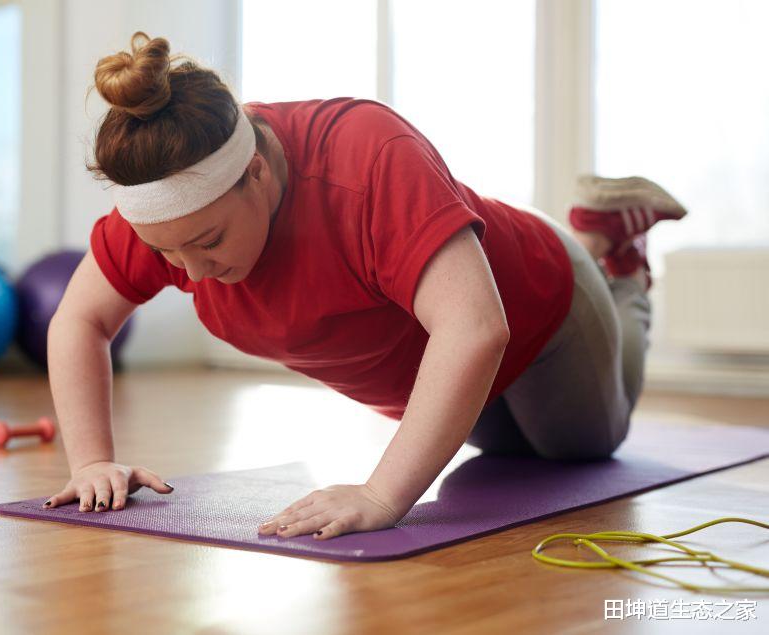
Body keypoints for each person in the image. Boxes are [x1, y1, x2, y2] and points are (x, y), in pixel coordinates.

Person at [42, 32, 687, 541]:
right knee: (509, 456)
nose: (191, 271)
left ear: (259, 175)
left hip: (545, 304)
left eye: (209, 243)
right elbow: (79, 321)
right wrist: (91, 462)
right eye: (166, 253)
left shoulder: (367, 156)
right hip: (455, 365)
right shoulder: (167, 209)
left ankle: (616, 265)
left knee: (575, 448)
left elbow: (474, 328)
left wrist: (381, 495)